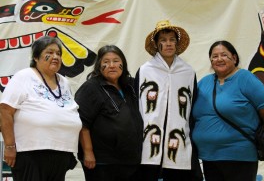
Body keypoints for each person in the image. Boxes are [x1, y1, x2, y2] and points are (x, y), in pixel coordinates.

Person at [0, 36, 82, 181]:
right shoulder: (23, 76)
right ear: (36, 57)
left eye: (58, 53)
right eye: (50, 52)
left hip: (61, 154)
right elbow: (5, 111)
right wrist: (10, 146)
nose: (56, 56)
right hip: (30, 154)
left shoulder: (64, 82)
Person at [192, 40, 264, 181]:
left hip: (240, 156)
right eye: (214, 56)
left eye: (224, 55)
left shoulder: (245, 78)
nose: (219, 59)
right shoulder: (204, 82)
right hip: (209, 156)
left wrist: (257, 128)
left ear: (234, 58)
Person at [135, 20, 202, 181]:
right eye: (163, 40)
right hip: (149, 139)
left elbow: (191, 107)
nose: (168, 44)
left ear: (177, 44)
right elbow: (137, 105)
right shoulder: (145, 71)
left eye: (172, 39)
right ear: (157, 45)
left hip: (178, 138)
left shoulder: (188, 72)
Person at [75, 45, 143, 181]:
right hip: (103, 162)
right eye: (106, 62)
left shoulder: (131, 86)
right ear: (99, 65)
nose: (112, 65)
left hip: (131, 160)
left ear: (123, 63)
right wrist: (88, 152)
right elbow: (81, 123)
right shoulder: (91, 87)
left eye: (116, 61)